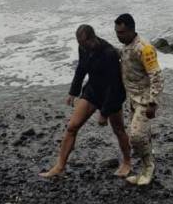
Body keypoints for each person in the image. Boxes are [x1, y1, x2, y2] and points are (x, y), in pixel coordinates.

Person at [39, 24, 131, 178]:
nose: (82, 47)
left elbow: (114, 85)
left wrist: (104, 113)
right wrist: (73, 92)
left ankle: (127, 162)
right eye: (80, 44)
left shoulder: (109, 54)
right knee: (72, 127)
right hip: (93, 91)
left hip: (112, 95)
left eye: (84, 43)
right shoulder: (83, 48)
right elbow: (81, 68)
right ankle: (59, 166)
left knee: (119, 130)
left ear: (92, 38)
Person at [114, 13, 164, 186]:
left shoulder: (144, 48)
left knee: (135, 137)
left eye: (121, 33)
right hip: (133, 99)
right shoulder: (126, 47)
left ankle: (149, 167)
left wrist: (153, 103)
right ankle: (144, 168)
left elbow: (156, 76)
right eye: (116, 32)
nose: (118, 36)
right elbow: (122, 55)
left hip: (145, 100)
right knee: (142, 136)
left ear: (131, 30)